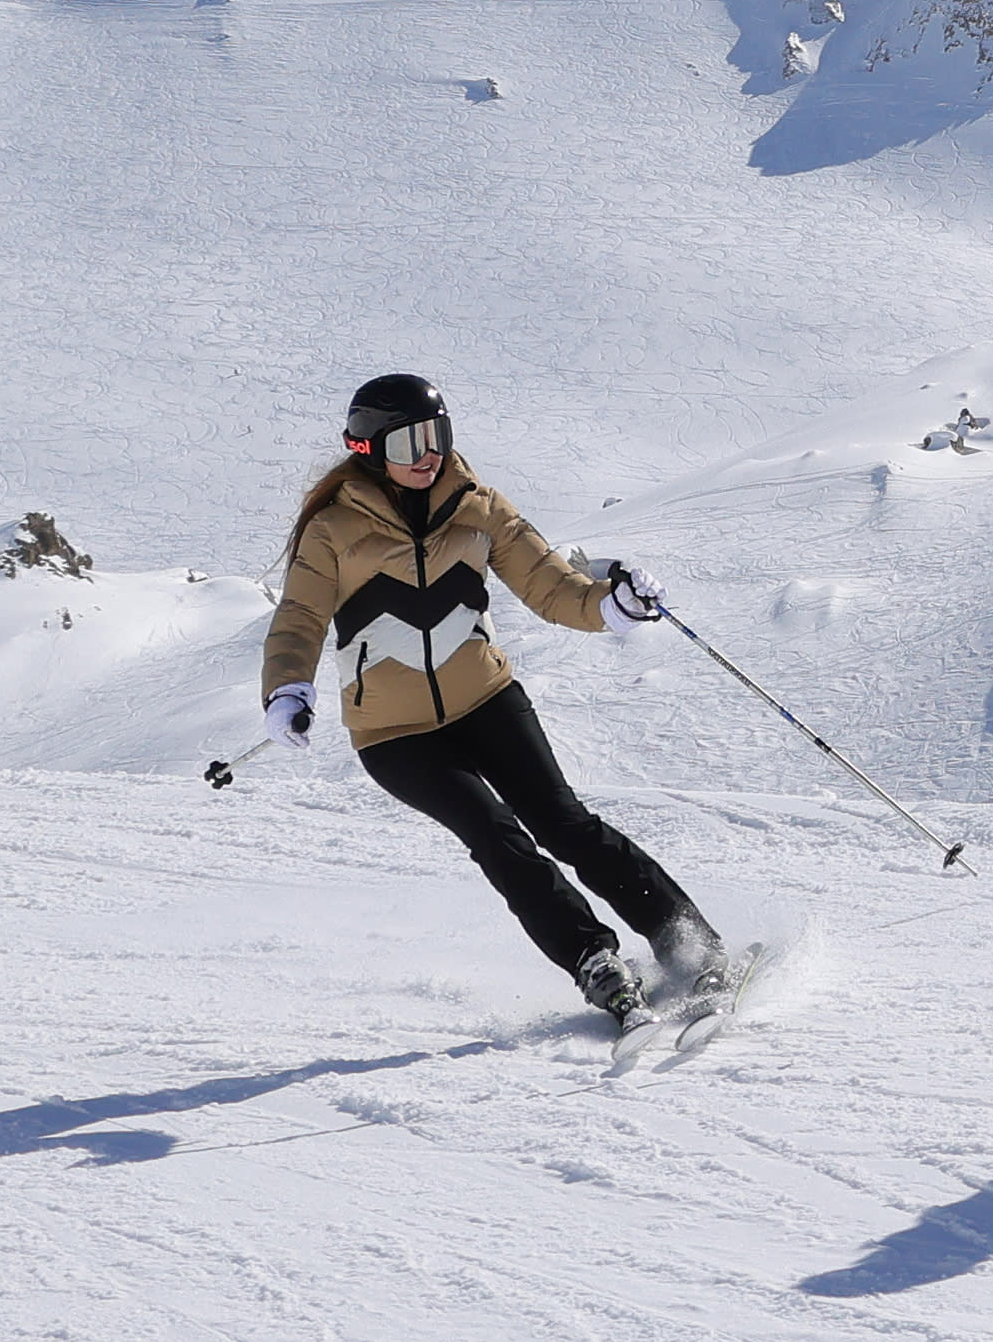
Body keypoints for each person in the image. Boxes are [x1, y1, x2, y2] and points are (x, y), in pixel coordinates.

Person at [264, 371, 719, 1024]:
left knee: (567, 824)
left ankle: (692, 947)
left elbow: (552, 586)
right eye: (406, 442)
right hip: (396, 735)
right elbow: (299, 617)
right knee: (496, 835)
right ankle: (595, 962)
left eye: (436, 435)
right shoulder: (334, 529)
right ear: (368, 450)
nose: (426, 454)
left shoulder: (479, 506)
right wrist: (287, 686)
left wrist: (611, 606)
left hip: (487, 697)